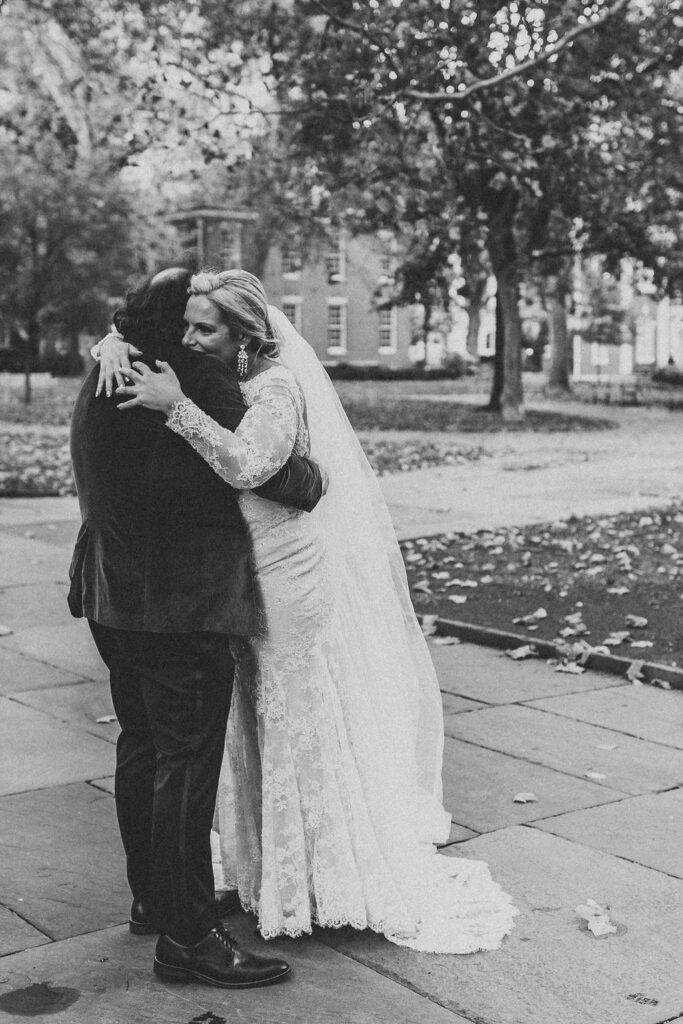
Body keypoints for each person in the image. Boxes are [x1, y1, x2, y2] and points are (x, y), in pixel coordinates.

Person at [101, 268, 518, 954]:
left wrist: (176, 407)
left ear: (244, 336)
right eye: (187, 325)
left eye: (205, 327)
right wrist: (108, 345)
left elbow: (248, 467)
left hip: (287, 575)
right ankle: (268, 872)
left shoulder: (274, 386)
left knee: (294, 718)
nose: (188, 337)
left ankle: (323, 882)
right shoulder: (222, 380)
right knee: (253, 724)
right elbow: (131, 327)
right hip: (241, 578)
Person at [69, 266, 326, 988]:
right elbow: (272, 475)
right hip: (178, 604)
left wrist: (108, 342)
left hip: (108, 592)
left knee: (143, 745)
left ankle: (156, 898)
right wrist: (312, 479)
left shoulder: (110, 369)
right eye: (188, 320)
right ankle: (189, 939)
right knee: (186, 759)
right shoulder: (194, 381)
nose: (193, 334)